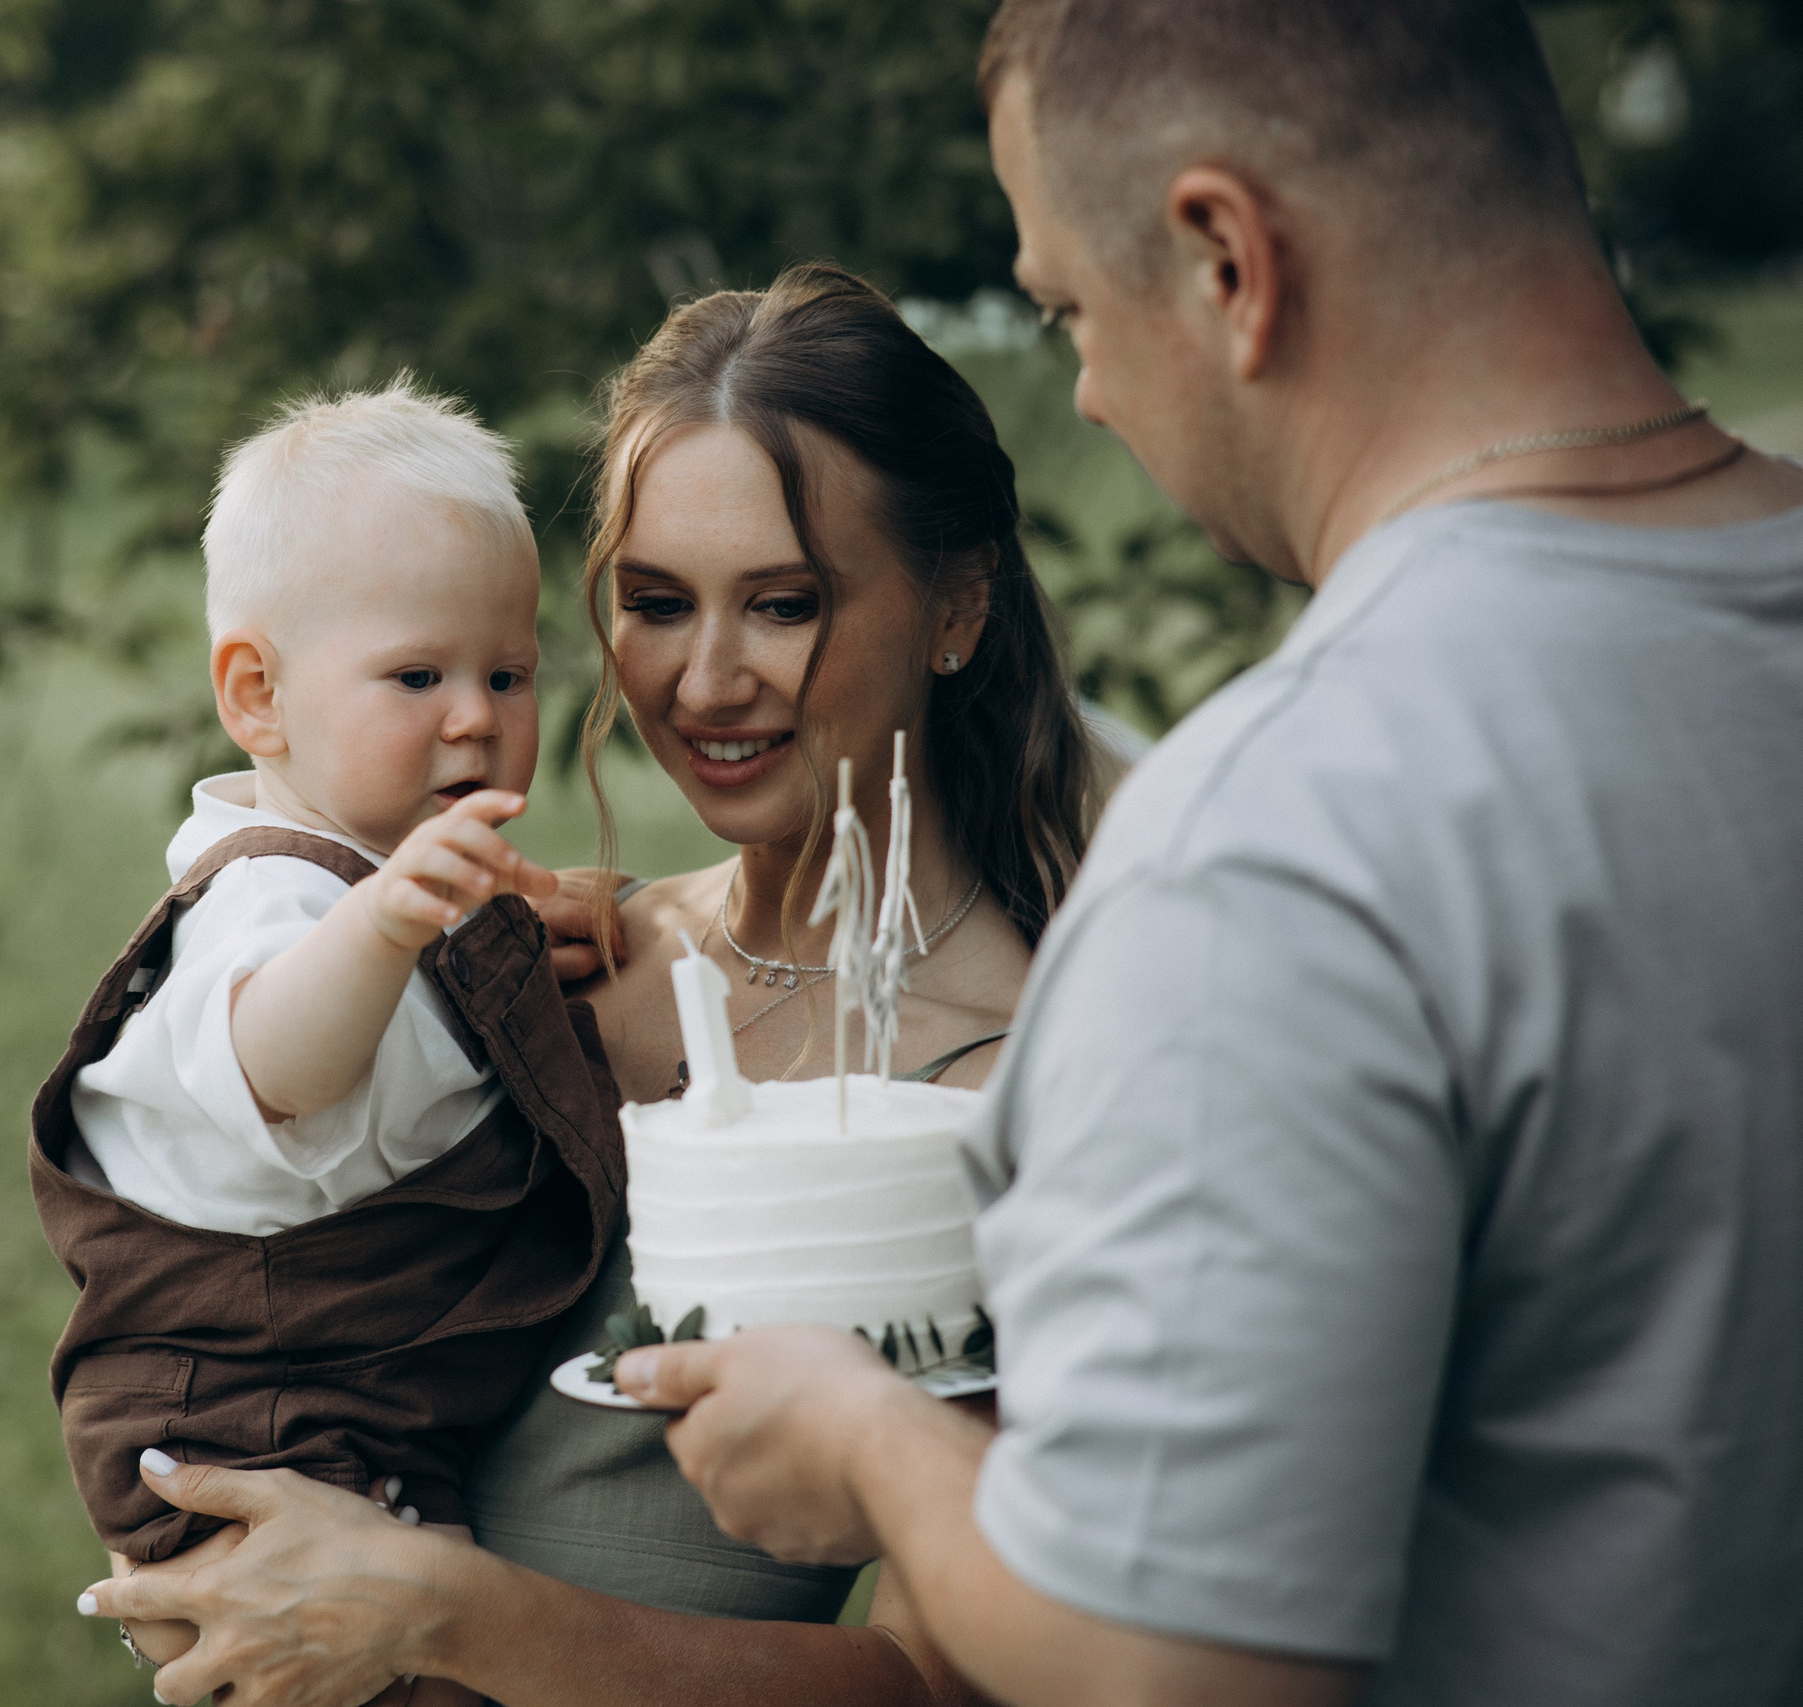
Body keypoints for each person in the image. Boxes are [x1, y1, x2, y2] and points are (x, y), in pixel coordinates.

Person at [612, 5, 1803, 1707]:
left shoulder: (1280, 840)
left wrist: (872, 1443)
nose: (1090, 392)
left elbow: (1176, 1670)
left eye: (1072, 311)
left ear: (1228, 260)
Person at [81, 266, 1110, 1707]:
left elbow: (947, 1683)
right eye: (656, 603)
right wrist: (194, 1566)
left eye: (786, 604)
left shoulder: (1016, 1089)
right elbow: (224, 1239)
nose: (705, 680)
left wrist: (442, 1616)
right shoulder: (546, 959)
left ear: (959, 605)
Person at [28, 382, 622, 1707]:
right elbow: (280, 1065)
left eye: (508, 674)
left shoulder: (381, 881)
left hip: (352, 1396)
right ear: (259, 695)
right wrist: (389, 924)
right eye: (417, 677)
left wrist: (501, 935)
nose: (476, 717)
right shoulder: (276, 902)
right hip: (257, 1427)